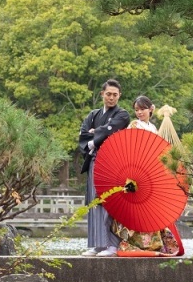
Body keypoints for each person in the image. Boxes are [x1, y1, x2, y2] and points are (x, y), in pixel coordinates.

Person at [111, 95, 183, 257]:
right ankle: (134, 242)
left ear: (151, 109)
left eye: (142, 109)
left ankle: (154, 243)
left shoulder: (154, 128)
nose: (139, 113)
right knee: (136, 207)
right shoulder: (134, 125)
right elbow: (130, 149)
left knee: (150, 207)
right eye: (136, 110)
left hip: (150, 173)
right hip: (135, 171)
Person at [78, 79, 130, 257]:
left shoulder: (122, 114)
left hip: (112, 163)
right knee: (95, 202)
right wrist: (95, 136)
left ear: (119, 96)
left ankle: (113, 245)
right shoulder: (93, 114)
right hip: (94, 161)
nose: (111, 98)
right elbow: (83, 132)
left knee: (110, 201)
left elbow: (111, 128)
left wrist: (95, 135)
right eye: (108, 94)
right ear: (102, 94)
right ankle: (97, 244)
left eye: (115, 95)